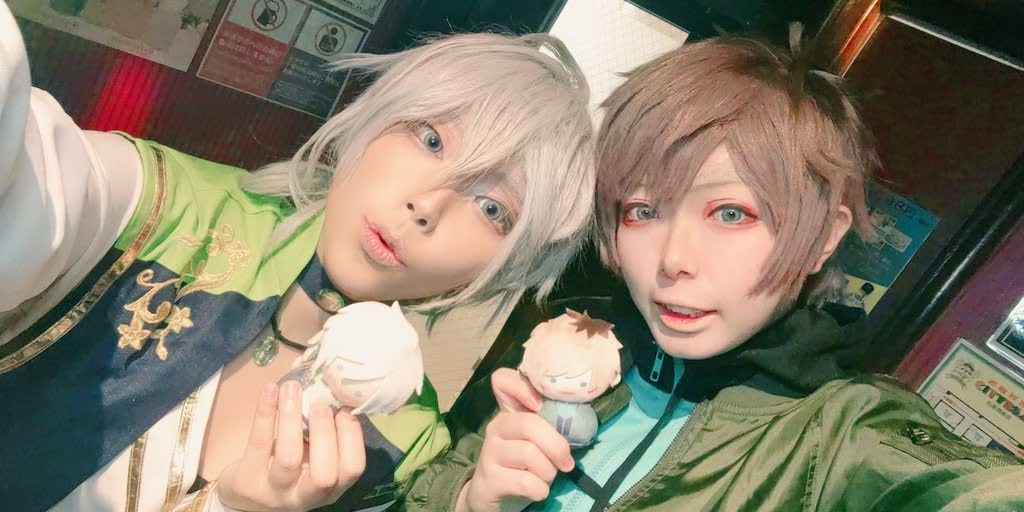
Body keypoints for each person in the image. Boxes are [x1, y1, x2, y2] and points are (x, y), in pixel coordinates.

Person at [0, 2, 595, 510]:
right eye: (432, 139)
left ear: (507, 265)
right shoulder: (164, 209)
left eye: (492, 208)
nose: (427, 205)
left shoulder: (403, 439)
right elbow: (37, 180)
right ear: (374, 119)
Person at [399, 30, 1024, 512]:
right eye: (643, 210)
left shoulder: (838, 436)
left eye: (731, 213)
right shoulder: (576, 344)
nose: (674, 260)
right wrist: (470, 500)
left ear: (821, 239)